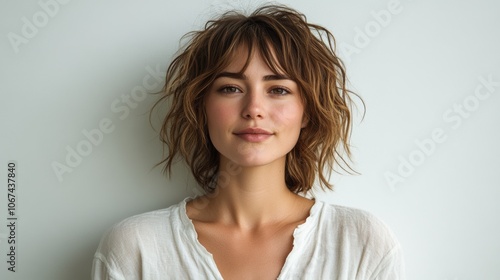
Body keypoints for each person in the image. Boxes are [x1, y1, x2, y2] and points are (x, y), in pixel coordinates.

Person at [91, 4, 405, 280]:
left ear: (306, 112)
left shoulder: (361, 243)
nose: (254, 109)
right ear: (203, 107)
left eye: (278, 90)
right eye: (231, 88)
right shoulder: (137, 247)